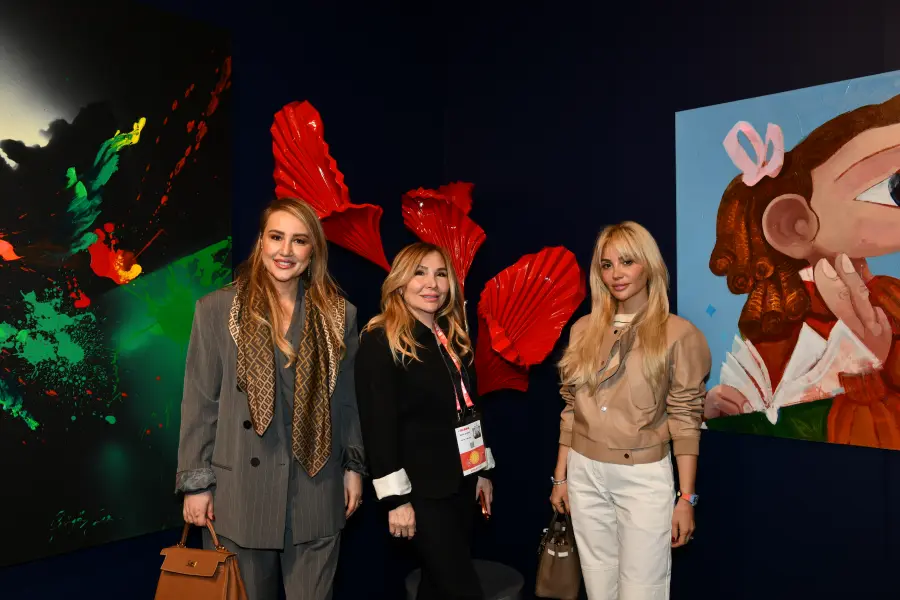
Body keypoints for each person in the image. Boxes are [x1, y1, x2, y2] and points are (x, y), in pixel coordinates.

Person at [175, 197, 366, 600]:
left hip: (317, 488)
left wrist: (353, 466)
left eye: (299, 240)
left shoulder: (339, 315)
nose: (286, 251)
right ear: (261, 242)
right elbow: (200, 404)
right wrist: (196, 484)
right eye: (276, 237)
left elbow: (347, 401)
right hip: (240, 493)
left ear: (313, 250)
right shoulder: (216, 309)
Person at [550, 221, 710, 600]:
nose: (616, 274)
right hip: (584, 472)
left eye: (627, 262)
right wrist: (560, 477)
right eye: (607, 265)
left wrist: (686, 498)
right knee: (598, 586)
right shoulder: (583, 329)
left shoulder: (678, 334)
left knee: (642, 591)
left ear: (648, 266)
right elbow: (571, 408)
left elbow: (686, 419)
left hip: (642, 478)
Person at [356, 242, 495, 600]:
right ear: (400, 282)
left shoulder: (452, 335)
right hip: (420, 492)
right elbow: (377, 427)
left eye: (441, 274)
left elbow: (470, 408)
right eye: (420, 273)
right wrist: (396, 501)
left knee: (436, 588)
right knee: (461, 588)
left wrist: (481, 470)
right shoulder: (380, 340)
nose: (432, 283)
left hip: (460, 483)